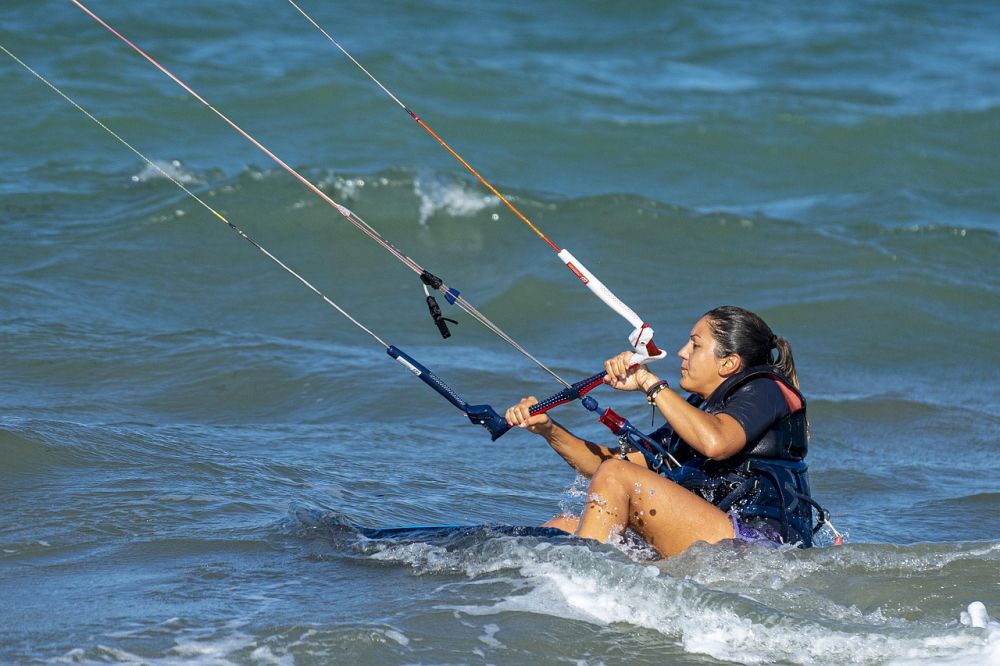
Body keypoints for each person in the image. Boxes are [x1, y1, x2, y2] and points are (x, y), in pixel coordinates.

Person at [505, 305, 822, 558]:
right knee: (561, 529)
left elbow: (717, 443)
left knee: (617, 476)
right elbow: (609, 469)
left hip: (761, 548)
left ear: (729, 363)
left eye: (695, 345)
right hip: (717, 539)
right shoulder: (701, 411)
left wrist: (649, 383)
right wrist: (548, 430)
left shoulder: (766, 389)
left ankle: (584, 583)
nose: (682, 352)